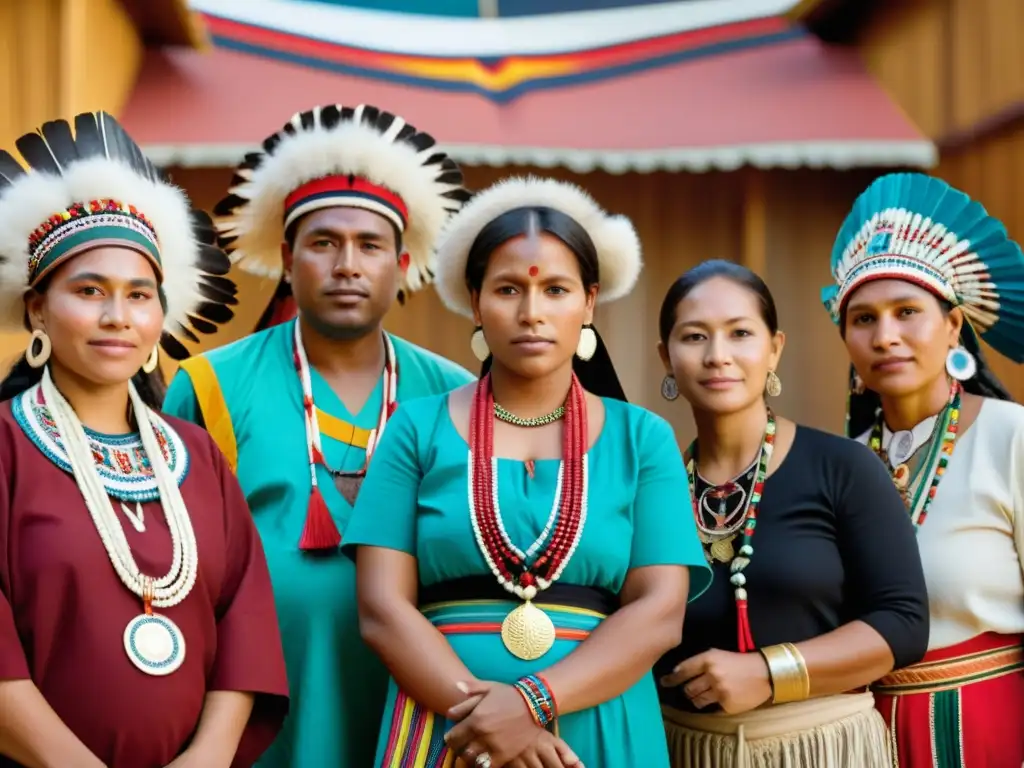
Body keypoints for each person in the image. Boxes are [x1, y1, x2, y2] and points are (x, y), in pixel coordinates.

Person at [341, 176, 713, 768]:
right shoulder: (415, 429)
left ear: (589, 301)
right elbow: (382, 610)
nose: (532, 313)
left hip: (598, 722)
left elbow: (660, 612)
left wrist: (531, 703)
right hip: (449, 726)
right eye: (508, 289)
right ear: (475, 298)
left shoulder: (642, 437)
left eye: (557, 290)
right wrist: (494, 723)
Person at [162, 103, 476, 767]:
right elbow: (177, 566)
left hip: (417, 693)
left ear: (403, 260)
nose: (347, 265)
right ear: (286, 256)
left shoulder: (455, 393)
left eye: (369, 246)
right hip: (262, 698)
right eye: (324, 243)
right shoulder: (211, 384)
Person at [0, 111, 288, 768]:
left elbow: (244, 629)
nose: (116, 317)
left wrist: (209, 757)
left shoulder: (196, 456)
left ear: (160, 315)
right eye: (89, 291)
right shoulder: (6, 447)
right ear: (37, 309)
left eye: (138, 295)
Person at [653, 259, 929, 767]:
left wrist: (768, 671)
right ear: (666, 357)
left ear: (774, 348)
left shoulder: (844, 467)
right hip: (683, 750)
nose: (718, 356)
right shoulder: (655, 485)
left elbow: (903, 623)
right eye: (694, 337)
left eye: (740, 333)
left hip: (819, 745)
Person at [822, 172, 1024, 767]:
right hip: (867, 738)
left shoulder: (1010, 436)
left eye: (907, 311)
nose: (886, 337)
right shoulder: (847, 460)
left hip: (991, 730)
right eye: (863, 320)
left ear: (954, 325)